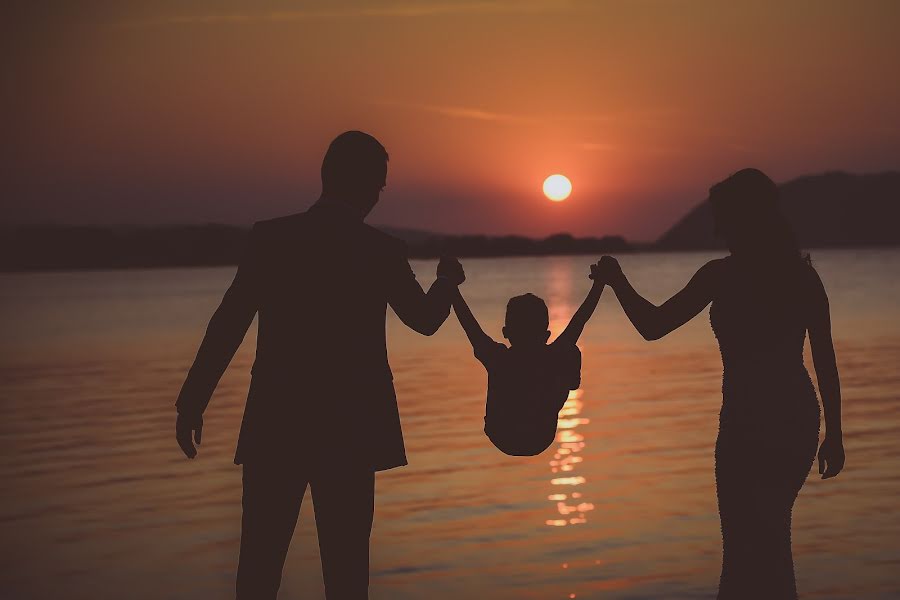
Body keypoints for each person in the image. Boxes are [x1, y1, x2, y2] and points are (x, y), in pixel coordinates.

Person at [174, 131, 465, 599]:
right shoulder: (381, 249)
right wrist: (448, 282)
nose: (378, 196)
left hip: (277, 422)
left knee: (258, 570)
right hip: (352, 429)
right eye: (380, 186)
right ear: (368, 185)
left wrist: (192, 399)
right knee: (347, 574)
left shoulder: (271, 238)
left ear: (326, 176)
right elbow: (426, 320)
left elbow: (228, 323)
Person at [593, 168, 845, 600]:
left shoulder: (722, 276)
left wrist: (617, 281)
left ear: (744, 218)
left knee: (748, 550)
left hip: (750, 427)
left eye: (722, 217)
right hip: (793, 421)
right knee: (769, 542)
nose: (716, 228)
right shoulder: (802, 276)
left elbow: (653, 326)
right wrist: (835, 433)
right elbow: (824, 359)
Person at [452, 261, 604, 456]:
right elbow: (580, 319)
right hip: (540, 436)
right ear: (546, 335)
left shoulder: (498, 358)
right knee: (569, 351)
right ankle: (570, 380)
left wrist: (451, 287)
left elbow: (469, 325)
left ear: (506, 332)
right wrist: (599, 284)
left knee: (562, 352)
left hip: (502, 436)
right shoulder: (552, 355)